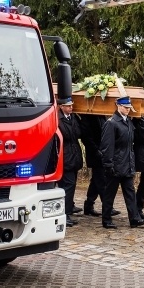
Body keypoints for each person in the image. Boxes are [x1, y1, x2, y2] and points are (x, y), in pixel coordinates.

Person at [99, 96, 144, 229]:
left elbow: (134, 141)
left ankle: (134, 218)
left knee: (130, 193)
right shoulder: (111, 123)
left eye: (129, 108)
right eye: (126, 108)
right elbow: (107, 146)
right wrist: (108, 164)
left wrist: (141, 123)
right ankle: (106, 219)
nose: (128, 110)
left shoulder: (128, 122)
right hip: (115, 165)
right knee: (109, 194)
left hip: (127, 164)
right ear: (118, 106)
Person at [79, 114, 120, 218]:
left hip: (102, 152)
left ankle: (89, 205)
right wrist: (96, 150)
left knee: (96, 181)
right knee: (101, 180)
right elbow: (86, 137)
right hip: (95, 154)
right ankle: (107, 207)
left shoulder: (102, 116)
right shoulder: (87, 117)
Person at [57, 96, 82, 227]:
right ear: (61, 106)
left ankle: (68, 209)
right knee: (67, 187)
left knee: (69, 186)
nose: (71, 107)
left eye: (72, 105)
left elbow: (78, 133)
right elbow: (68, 134)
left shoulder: (73, 118)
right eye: (68, 106)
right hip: (65, 157)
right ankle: (64, 214)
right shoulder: (59, 120)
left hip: (74, 156)